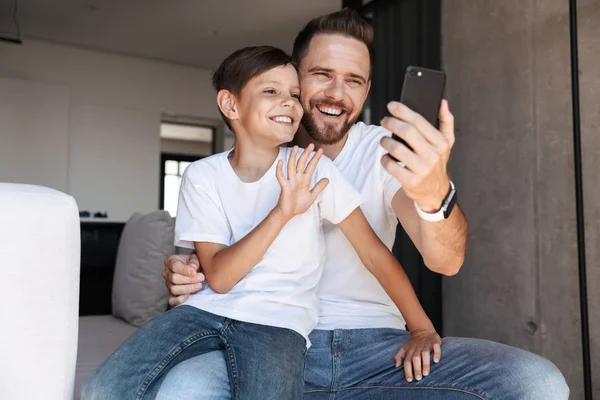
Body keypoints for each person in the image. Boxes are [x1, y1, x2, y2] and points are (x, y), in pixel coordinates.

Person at [159, 9, 569, 400]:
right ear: (292, 75)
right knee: (180, 389)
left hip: (377, 352)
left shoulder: (381, 151)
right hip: (264, 337)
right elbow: (218, 259)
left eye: (354, 80)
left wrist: (433, 193)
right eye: (322, 75)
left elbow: (446, 261)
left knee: (537, 382)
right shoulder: (234, 166)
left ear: (367, 89)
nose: (337, 94)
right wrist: (190, 269)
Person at [83, 45, 441, 399]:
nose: (289, 103)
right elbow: (220, 279)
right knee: (102, 387)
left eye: (295, 95)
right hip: (205, 310)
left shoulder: (312, 168)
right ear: (230, 104)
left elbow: (375, 254)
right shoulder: (202, 175)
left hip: (279, 324)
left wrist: (421, 327)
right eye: (271, 92)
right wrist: (282, 213)